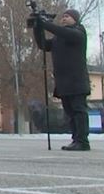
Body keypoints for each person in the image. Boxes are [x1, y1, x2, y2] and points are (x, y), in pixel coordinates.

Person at [32, 8, 91, 151]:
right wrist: (37, 28)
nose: (64, 18)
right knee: (70, 113)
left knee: (79, 111)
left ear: (75, 19)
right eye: (63, 17)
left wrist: (46, 24)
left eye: (68, 16)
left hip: (77, 81)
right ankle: (75, 139)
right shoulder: (59, 38)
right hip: (64, 82)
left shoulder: (78, 33)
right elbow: (44, 45)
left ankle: (83, 141)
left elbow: (63, 32)